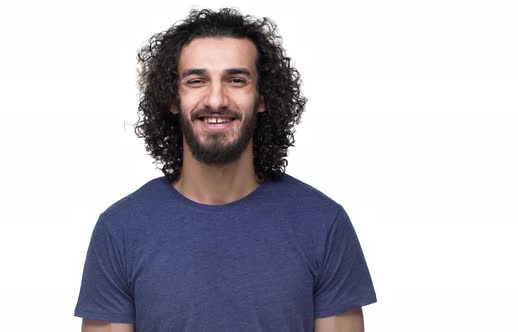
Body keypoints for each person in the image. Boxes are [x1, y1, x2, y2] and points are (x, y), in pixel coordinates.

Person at [74, 7, 377, 332]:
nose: (216, 99)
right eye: (196, 81)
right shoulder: (120, 230)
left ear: (262, 97)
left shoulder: (323, 225)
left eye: (236, 80)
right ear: (173, 98)